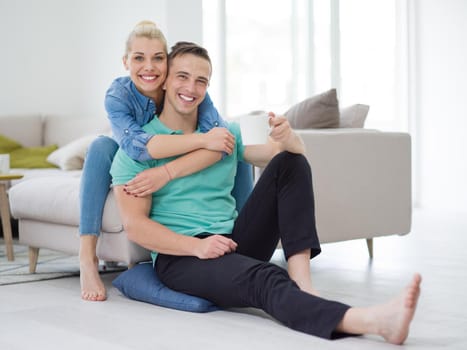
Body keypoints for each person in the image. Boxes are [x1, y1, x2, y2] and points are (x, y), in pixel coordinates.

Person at [110, 41, 422, 344]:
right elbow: (136, 226)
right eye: (182, 76)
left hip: (233, 240)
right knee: (266, 277)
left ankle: (304, 286)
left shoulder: (224, 134)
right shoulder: (138, 148)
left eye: (201, 80)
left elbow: (290, 157)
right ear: (164, 82)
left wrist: (288, 137)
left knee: (290, 163)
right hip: (183, 258)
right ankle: (373, 322)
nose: (191, 88)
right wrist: (195, 247)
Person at [79, 21, 242, 301]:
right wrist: (201, 142)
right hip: (132, 147)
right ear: (125, 62)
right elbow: (137, 146)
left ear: (167, 64)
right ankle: (87, 258)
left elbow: (221, 140)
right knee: (100, 147)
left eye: (157, 58)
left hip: (167, 147)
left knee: (235, 141)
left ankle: (243, 236)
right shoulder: (118, 94)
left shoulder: (188, 88)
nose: (149, 67)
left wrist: (214, 141)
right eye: (139, 58)